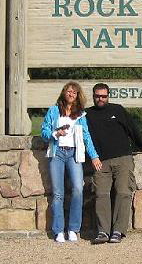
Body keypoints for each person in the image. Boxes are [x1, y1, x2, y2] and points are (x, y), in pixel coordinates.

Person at [86, 83, 142, 244]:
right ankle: (103, 232)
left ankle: (118, 231)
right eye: (97, 96)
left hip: (123, 159)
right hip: (100, 161)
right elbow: (82, 137)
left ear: (108, 96)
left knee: (123, 192)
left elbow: (134, 131)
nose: (100, 99)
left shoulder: (118, 110)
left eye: (103, 96)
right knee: (101, 194)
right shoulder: (87, 114)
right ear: (93, 96)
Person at [41, 81, 102, 243]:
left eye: (74, 92)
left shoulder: (80, 114)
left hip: (74, 154)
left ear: (77, 96)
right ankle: (58, 230)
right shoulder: (54, 110)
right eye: (68, 91)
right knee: (58, 193)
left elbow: (86, 137)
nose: (71, 94)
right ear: (63, 93)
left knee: (77, 189)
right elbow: (44, 130)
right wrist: (55, 133)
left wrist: (94, 156)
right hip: (57, 154)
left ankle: (74, 229)